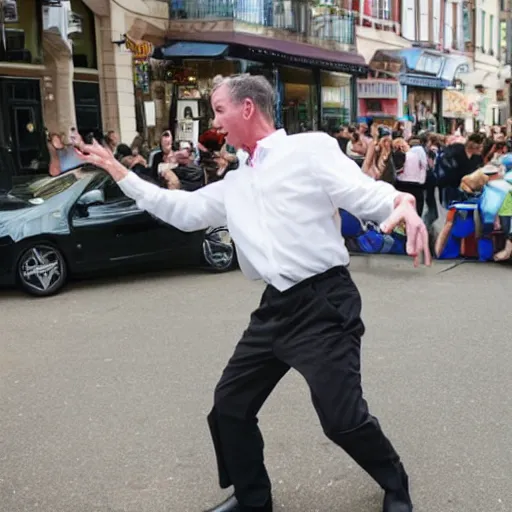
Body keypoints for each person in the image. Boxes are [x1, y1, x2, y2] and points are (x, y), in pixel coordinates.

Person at [75, 74, 430, 512]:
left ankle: (395, 482)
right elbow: (181, 211)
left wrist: (402, 204)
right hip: (275, 307)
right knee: (230, 405)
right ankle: (252, 499)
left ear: (247, 108)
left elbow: (362, 193)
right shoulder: (236, 182)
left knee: (341, 420)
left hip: (324, 302)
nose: (214, 120)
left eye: (218, 109)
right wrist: (117, 169)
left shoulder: (309, 149)